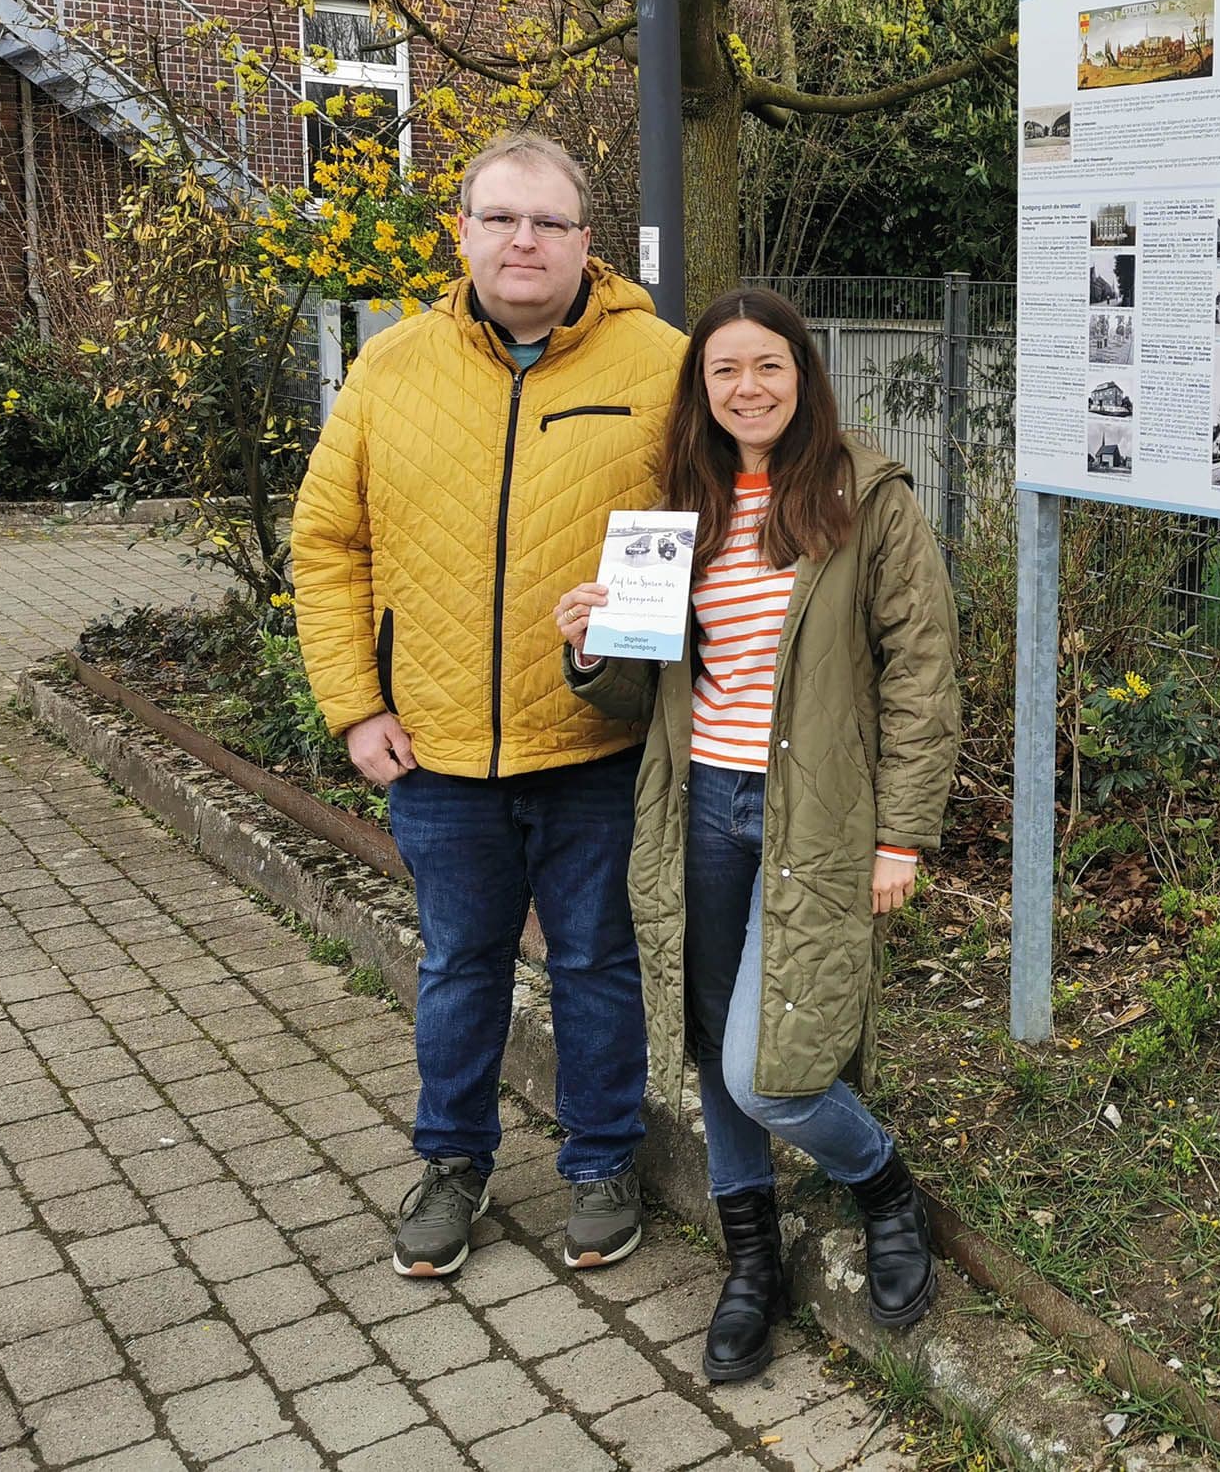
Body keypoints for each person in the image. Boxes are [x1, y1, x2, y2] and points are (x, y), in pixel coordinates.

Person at [294, 130, 685, 1279]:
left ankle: (601, 1162)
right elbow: (328, 545)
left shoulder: (660, 366)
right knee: (460, 967)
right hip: (438, 750)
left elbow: (716, 529)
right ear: (459, 232)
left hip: (597, 741)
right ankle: (452, 1163)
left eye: (548, 221)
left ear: (585, 242)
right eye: (500, 218)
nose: (524, 240)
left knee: (597, 965)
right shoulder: (390, 370)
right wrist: (354, 706)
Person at [556, 286, 961, 1383]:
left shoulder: (865, 498)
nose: (748, 388)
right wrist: (593, 650)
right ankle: (750, 1261)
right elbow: (647, 696)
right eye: (724, 370)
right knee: (709, 1048)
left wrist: (900, 835)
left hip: (813, 819)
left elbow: (922, 675)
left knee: (768, 1073)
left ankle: (882, 1186)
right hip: (699, 809)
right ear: (701, 389)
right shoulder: (678, 513)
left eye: (768, 366)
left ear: (803, 374)